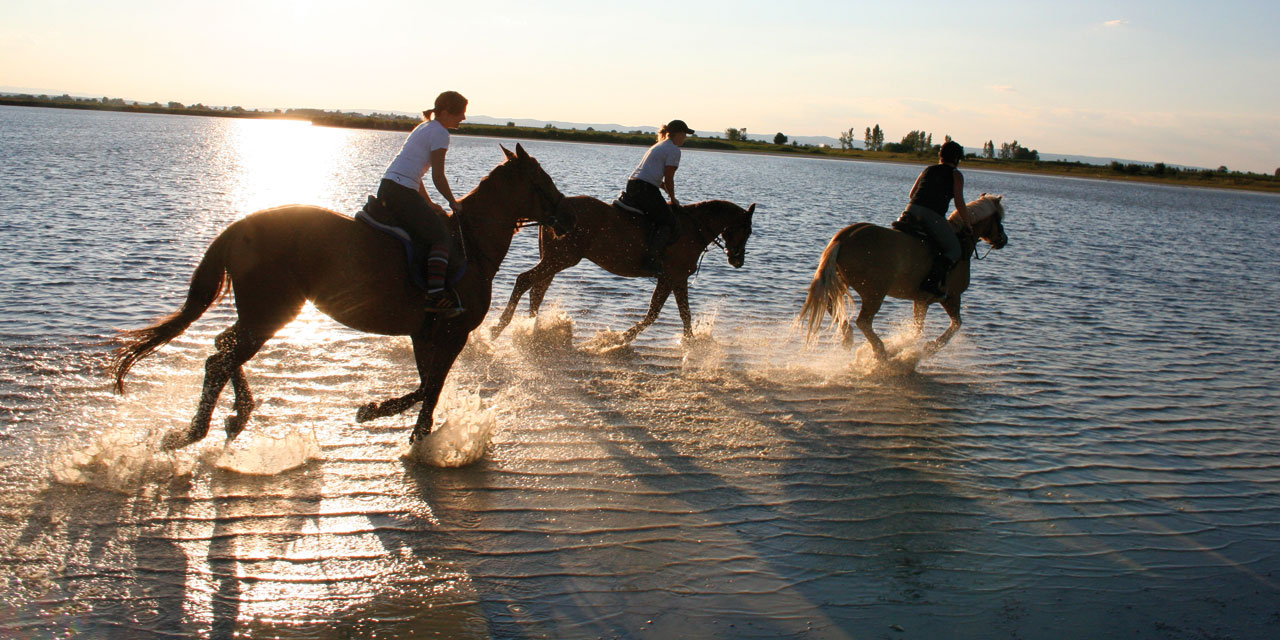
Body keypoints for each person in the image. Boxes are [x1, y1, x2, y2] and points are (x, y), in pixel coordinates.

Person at [377, 90, 468, 315]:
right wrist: (453, 202)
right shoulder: (440, 133)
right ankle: (435, 295)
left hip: (391, 187)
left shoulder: (425, 126)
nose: (463, 119)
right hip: (400, 192)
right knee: (440, 236)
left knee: (430, 223)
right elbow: (438, 176)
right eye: (460, 114)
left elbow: (414, 175)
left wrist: (428, 203)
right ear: (446, 112)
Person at [899, 140, 972, 297]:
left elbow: (912, 194)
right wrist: (967, 223)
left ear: (941, 156)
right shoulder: (956, 175)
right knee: (954, 250)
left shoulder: (928, 169)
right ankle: (931, 283)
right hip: (932, 216)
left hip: (910, 210)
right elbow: (959, 202)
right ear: (957, 159)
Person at [624, 119, 695, 273]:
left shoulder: (660, 145)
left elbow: (653, 175)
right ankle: (651, 260)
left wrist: (664, 188)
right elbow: (669, 178)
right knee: (669, 222)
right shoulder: (674, 150)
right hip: (645, 188)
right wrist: (673, 198)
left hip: (634, 184)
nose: (685, 138)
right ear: (678, 134)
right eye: (684, 134)